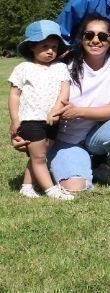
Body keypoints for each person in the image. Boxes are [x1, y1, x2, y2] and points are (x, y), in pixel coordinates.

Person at [38, 15, 110, 191]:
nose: (95, 40)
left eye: (102, 36)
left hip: (95, 136)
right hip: (65, 140)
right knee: (75, 187)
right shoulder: (64, 65)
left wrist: (78, 112)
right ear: (81, 39)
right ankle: (89, 167)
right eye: (89, 35)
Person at [8, 20, 72, 200]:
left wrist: (56, 109)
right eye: (45, 46)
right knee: (39, 157)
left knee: (39, 154)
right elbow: (14, 96)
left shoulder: (60, 67)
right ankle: (52, 191)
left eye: (54, 46)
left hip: (53, 119)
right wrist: (15, 120)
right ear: (32, 47)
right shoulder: (23, 68)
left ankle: (27, 186)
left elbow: (64, 90)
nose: (51, 50)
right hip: (30, 119)